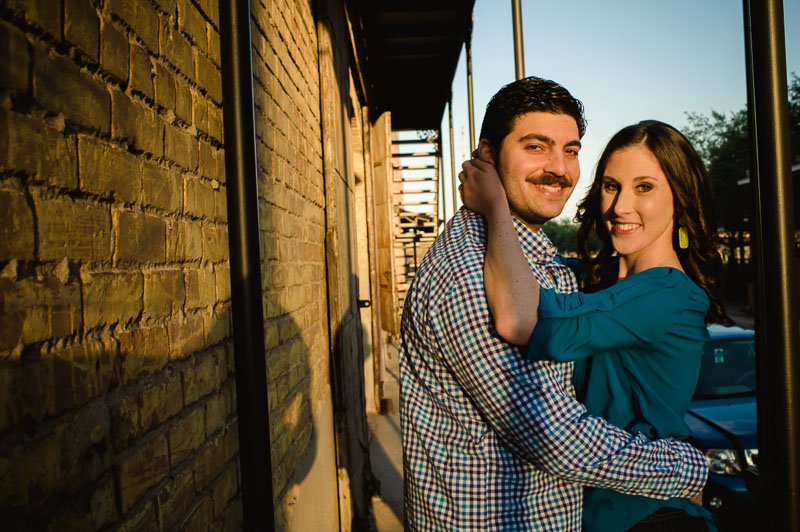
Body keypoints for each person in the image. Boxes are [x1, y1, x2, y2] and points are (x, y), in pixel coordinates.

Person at [399, 77, 708, 532]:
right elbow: (556, 437)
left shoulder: (533, 263)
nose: (558, 168)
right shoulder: (470, 274)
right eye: (536, 146)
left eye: (571, 150)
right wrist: (689, 469)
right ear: (486, 154)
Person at [459, 119, 730, 531]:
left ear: (680, 197)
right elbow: (523, 276)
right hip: (592, 511)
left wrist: (496, 206)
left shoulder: (669, 295)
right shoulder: (596, 279)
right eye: (610, 185)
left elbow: (517, 319)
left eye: (644, 187)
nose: (620, 206)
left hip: (648, 514)